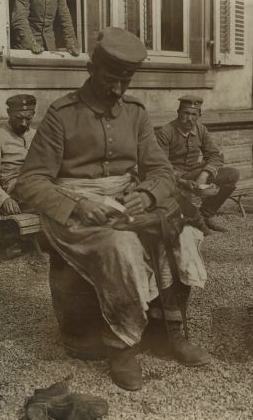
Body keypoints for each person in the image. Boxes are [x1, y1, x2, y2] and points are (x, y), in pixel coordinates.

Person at [15, 27, 211, 391]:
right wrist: (77, 204)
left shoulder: (135, 113)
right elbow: (29, 182)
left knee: (182, 237)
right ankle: (121, 345)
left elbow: (161, 170)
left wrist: (149, 196)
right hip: (76, 210)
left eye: (127, 81)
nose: (119, 90)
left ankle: (170, 331)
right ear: (90, 68)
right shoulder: (61, 115)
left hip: (125, 201)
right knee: (121, 249)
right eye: (111, 79)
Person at [156, 95, 240, 233]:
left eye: (194, 114)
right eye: (186, 113)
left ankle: (205, 216)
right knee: (169, 188)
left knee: (231, 175)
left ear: (199, 115)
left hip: (193, 175)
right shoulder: (165, 133)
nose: (189, 118)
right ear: (178, 113)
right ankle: (196, 223)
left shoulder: (201, 130)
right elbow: (161, 166)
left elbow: (215, 156)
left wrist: (205, 174)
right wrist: (183, 182)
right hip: (172, 177)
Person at [0, 94, 37, 215]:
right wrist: (3, 199)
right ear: (9, 113)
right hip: (18, 192)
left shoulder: (37, 135)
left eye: (29, 118)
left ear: (34, 114)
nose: (24, 124)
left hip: (40, 185)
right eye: (19, 118)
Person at [11, 0, 80, 56]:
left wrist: (71, 44)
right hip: (26, 47)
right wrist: (32, 43)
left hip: (50, 48)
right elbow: (19, 19)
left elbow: (66, 19)